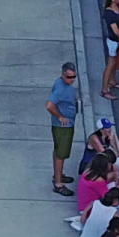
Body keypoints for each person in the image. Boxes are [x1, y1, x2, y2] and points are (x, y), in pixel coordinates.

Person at [46, 62, 81, 193]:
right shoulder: (61, 89)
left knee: (58, 151)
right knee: (61, 153)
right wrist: (60, 116)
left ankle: (58, 175)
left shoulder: (61, 83)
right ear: (63, 74)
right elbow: (49, 105)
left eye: (74, 77)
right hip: (63, 127)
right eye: (69, 77)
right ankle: (58, 184)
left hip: (64, 125)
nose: (72, 80)